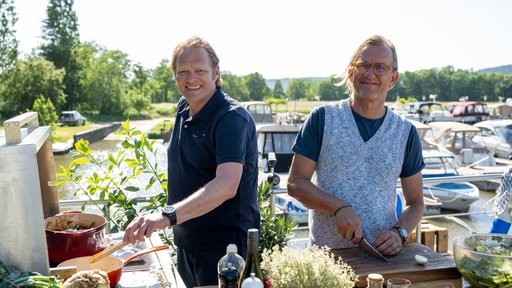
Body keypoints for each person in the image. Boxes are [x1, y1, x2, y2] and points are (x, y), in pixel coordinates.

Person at [123, 36, 260, 287]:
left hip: (226, 250)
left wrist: (166, 216)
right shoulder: (183, 107)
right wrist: (172, 221)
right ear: (175, 76)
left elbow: (226, 186)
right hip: (187, 240)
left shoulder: (231, 118)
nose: (191, 78)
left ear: (216, 72)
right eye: (183, 71)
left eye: (200, 70)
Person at [286, 35, 425, 256]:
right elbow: (295, 184)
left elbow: (416, 203)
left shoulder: (406, 133)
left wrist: (400, 232)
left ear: (393, 78)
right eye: (363, 65)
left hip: (382, 260)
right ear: (351, 73)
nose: (370, 74)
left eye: (381, 67)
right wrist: (338, 207)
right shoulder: (322, 119)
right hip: (326, 260)